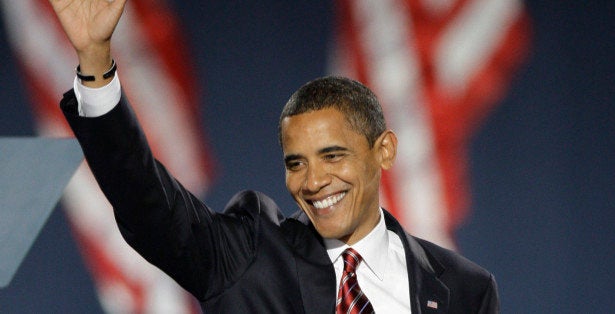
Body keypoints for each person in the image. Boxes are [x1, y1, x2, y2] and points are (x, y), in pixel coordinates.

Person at [50, 0, 499, 313]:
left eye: (332, 156)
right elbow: (144, 201)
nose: (314, 180)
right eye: (296, 162)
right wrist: (95, 62)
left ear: (383, 151)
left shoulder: (463, 289)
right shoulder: (249, 259)